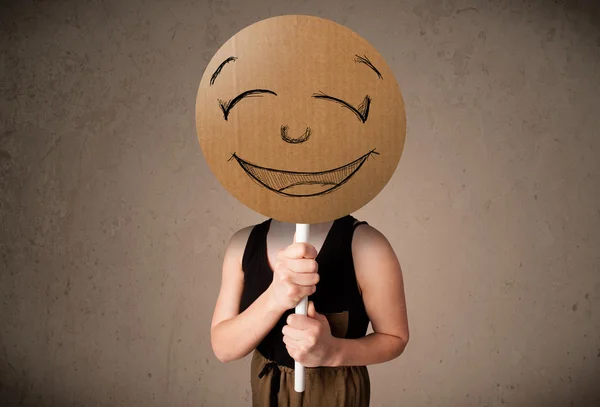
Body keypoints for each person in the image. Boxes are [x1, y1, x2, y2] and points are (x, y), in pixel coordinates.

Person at [210, 214, 409, 406]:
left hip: (335, 393)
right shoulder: (242, 243)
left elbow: (395, 338)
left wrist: (332, 352)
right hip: (267, 390)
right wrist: (274, 299)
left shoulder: (368, 244)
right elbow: (223, 349)